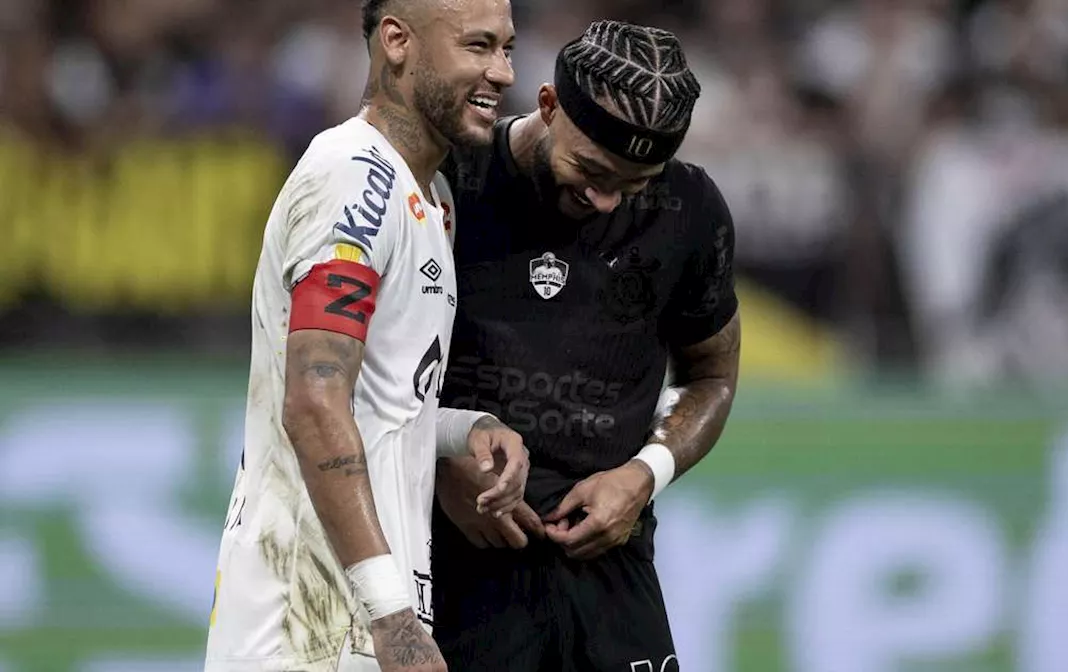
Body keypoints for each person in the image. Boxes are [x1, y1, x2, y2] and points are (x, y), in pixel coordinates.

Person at [204, 1, 524, 670]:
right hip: (309, 624)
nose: (502, 72)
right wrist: (394, 617)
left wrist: (465, 430)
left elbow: (373, 402)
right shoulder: (353, 178)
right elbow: (313, 403)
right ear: (398, 41)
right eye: (478, 46)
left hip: (355, 616)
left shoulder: (431, 197)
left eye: (507, 49)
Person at [431, 20, 741, 671]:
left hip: (609, 563)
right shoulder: (447, 182)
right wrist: (438, 461)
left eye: (633, 184)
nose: (606, 201)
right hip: (452, 560)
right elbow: (361, 374)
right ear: (547, 105)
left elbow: (709, 375)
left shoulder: (689, 211)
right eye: (591, 169)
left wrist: (644, 476)